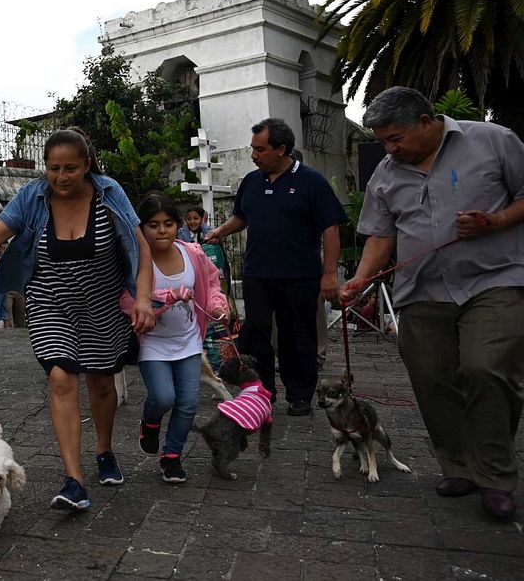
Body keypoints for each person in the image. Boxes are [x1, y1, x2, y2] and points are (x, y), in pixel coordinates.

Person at [0, 128, 156, 511]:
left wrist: (144, 299)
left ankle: (104, 450)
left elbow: (140, 247)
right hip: (50, 303)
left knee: (101, 385)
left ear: (87, 166)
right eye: (53, 169)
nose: (61, 177)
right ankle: (74, 480)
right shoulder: (32, 197)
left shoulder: (109, 193)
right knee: (62, 377)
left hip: (101, 304)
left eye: (70, 168)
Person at [341, 86, 524, 520]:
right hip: (421, 290)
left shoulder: (494, 141)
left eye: (395, 138)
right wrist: (360, 279)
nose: (388, 149)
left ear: (426, 121)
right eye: (383, 141)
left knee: (485, 368)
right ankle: (458, 465)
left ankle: (495, 476)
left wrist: (494, 221)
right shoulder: (385, 174)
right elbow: (381, 235)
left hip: (494, 280)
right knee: (430, 378)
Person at [205, 118, 347, 416]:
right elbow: (242, 216)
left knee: (297, 335)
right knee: (255, 333)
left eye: (260, 149)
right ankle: (261, 391)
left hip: (300, 275)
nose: (254, 155)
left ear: (281, 149)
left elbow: (331, 228)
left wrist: (330, 274)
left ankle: (299, 395)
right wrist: (221, 232)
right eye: (252, 149)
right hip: (258, 273)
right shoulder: (251, 181)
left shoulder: (312, 182)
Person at [131, 193, 228, 483]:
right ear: (142, 228)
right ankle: (150, 422)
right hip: (153, 342)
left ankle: (171, 456)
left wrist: (217, 305)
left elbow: (211, 283)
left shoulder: (193, 253)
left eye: (169, 223)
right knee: (163, 397)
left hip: (188, 339)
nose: (162, 230)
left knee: (187, 403)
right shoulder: (135, 260)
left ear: (178, 225)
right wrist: (166, 298)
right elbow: (128, 299)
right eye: (153, 225)